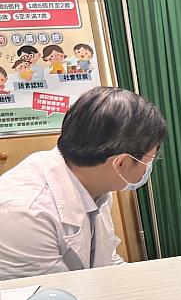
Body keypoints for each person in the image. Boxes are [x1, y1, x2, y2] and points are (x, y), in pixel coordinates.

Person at [0, 87, 167, 280]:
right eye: (151, 157)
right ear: (121, 163)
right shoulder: (25, 215)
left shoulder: (94, 185)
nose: (149, 166)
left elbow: (107, 264)